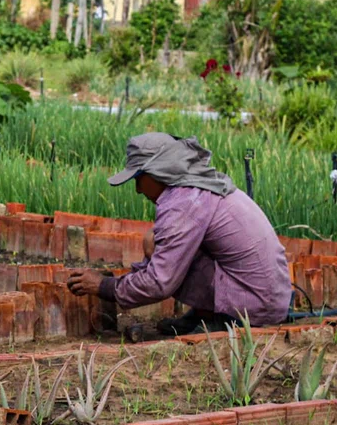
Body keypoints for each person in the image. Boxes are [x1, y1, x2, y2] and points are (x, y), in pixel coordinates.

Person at [67, 133, 291, 335]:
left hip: (256, 306)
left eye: (138, 179)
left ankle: (224, 320)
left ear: (157, 172)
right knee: (155, 240)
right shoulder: (198, 186)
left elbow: (159, 282)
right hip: (268, 295)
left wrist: (104, 286)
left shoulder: (183, 203)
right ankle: (206, 314)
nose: (137, 190)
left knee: (163, 251)